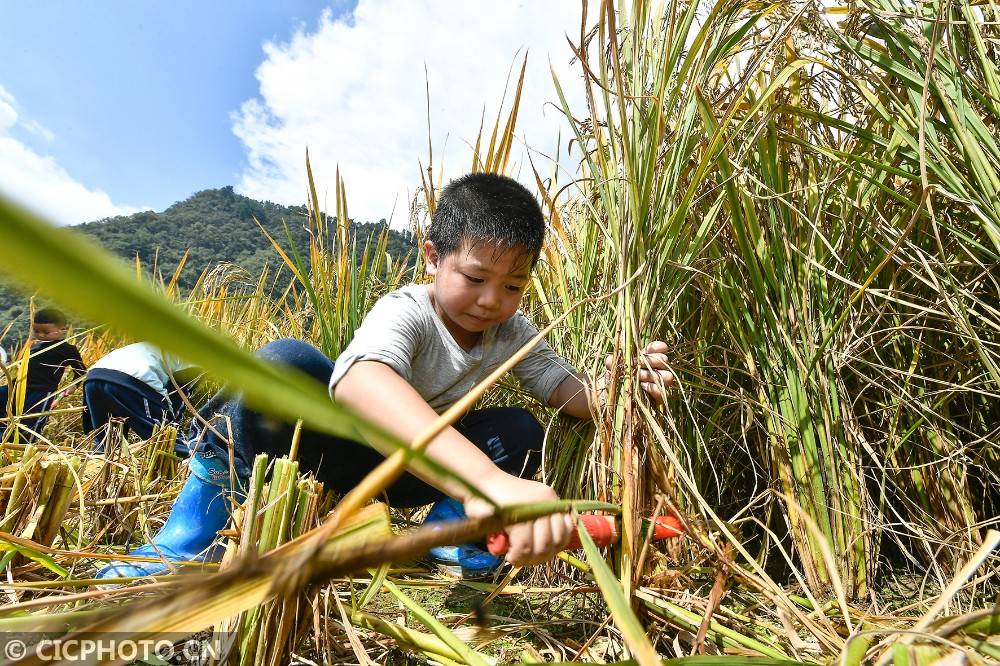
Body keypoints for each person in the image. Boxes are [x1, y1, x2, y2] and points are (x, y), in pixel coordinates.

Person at [96, 173, 674, 581]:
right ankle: (185, 543)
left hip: (410, 474)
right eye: (474, 278)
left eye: (513, 285)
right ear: (432, 257)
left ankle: (455, 543)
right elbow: (360, 382)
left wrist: (619, 391)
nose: (491, 300)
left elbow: (563, 390)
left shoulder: (513, 334)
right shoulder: (408, 309)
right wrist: (484, 482)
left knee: (522, 427)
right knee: (283, 364)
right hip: (335, 453)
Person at [83, 342, 202, 454]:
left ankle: (99, 469)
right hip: (132, 379)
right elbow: (179, 396)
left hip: (94, 377)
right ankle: (189, 466)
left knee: (107, 445)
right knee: (165, 440)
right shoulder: (195, 362)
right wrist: (174, 427)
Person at [0, 307, 86, 442]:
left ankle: (21, 448)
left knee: (30, 424)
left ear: (62, 329)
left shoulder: (67, 349)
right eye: (36, 331)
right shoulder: (34, 347)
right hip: (18, 386)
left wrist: (73, 386)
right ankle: (4, 436)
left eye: (46, 332)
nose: (40, 335)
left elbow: (81, 371)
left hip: (42, 392)